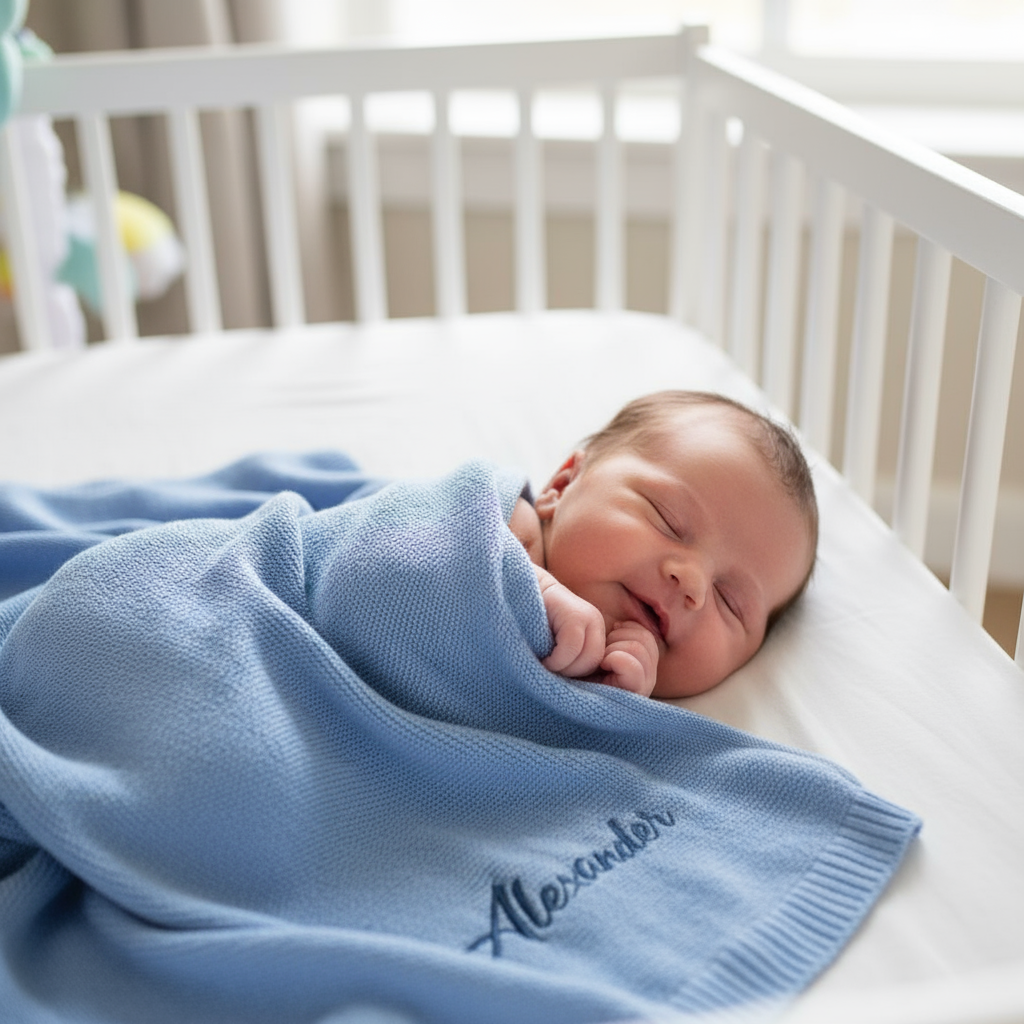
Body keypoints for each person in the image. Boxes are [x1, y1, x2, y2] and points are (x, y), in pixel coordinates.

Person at [508, 390, 818, 700]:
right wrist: (535, 590)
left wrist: (612, 709)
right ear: (563, 486)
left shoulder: (647, 716)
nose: (692, 582)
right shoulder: (506, 525)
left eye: (730, 601)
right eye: (667, 521)